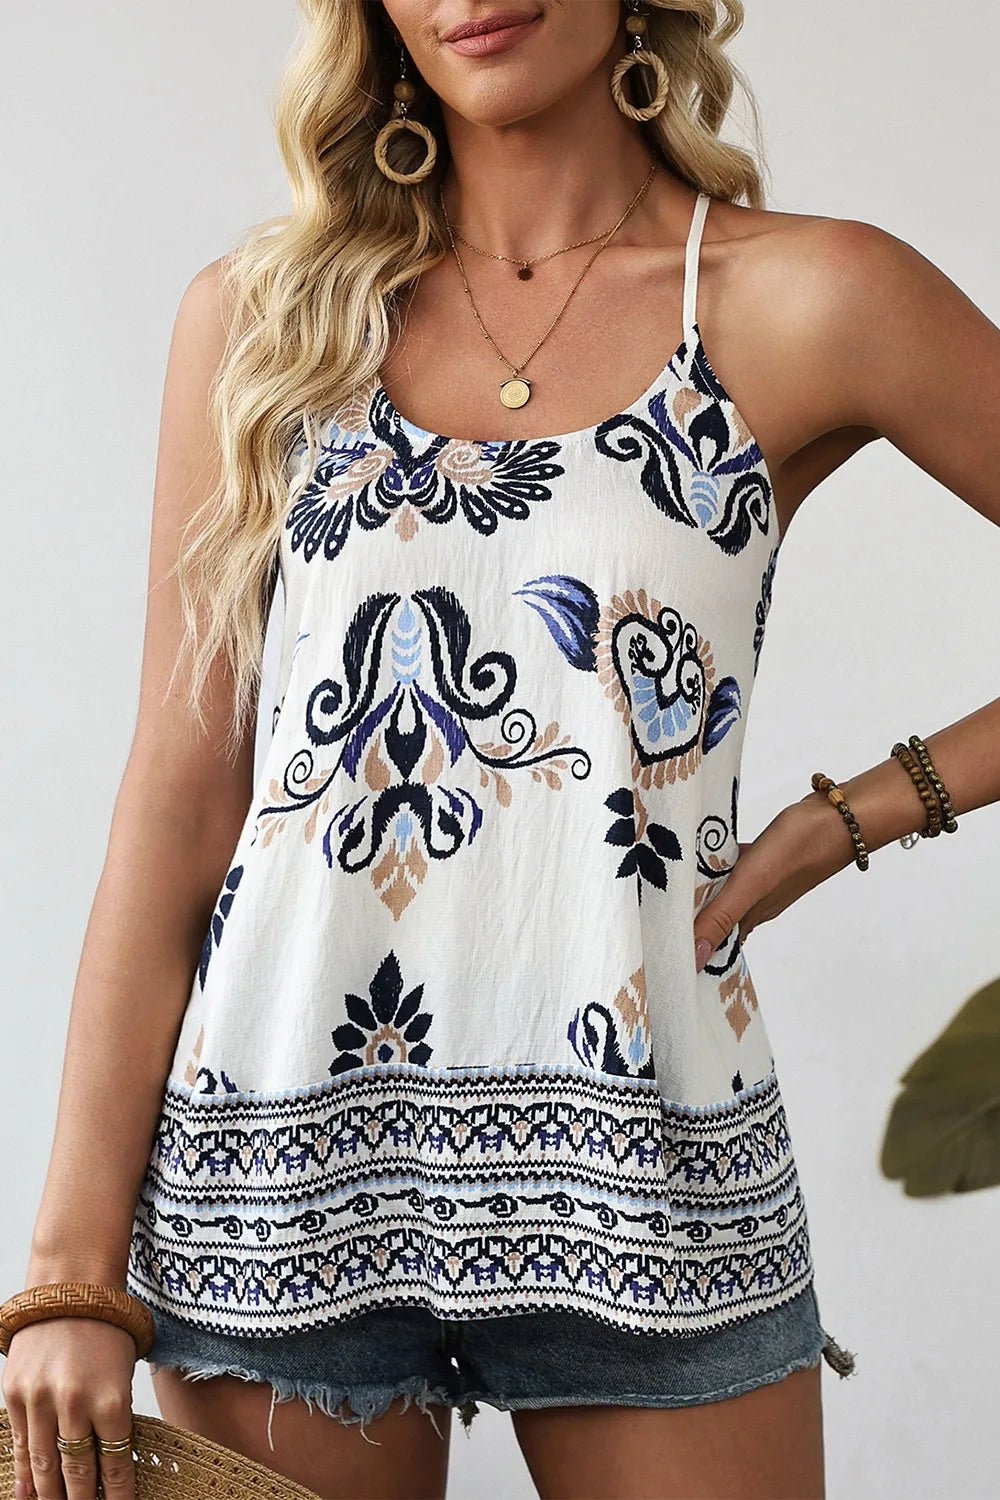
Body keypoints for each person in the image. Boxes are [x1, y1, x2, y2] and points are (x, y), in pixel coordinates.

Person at [3, 1, 999, 1497]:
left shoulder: (806, 295)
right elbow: (180, 800)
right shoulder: (267, 321)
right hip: (276, 1183)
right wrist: (68, 1275)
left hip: (649, 1175)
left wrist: (860, 811)